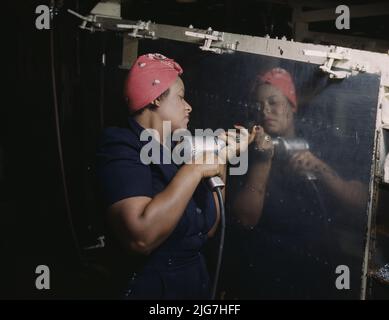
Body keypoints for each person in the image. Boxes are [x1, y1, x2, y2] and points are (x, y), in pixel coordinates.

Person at [96, 53, 253, 299]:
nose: (188, 106)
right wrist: (195, 169)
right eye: (180, 97)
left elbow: (208, 229)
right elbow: (140, 237)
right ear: (156, 98)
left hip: (194, 284)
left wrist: (221, 159)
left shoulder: (175, 151)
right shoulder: (121, 147)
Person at [224, 67, 368, 299]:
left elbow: (363, 204)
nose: (265, 111)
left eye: (273, 102)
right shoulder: (245, 150)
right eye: (258, 105)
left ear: (292, 106)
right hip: (265, 271)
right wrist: (263, 159)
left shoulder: (320, 142)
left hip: (316, 270)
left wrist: (322, 170)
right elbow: (244, 219)